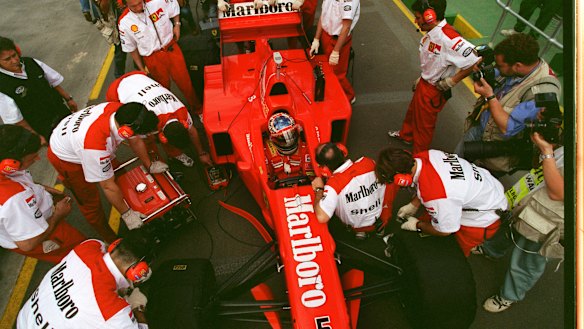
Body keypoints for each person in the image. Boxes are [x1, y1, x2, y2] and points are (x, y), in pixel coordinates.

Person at [476, 132, 564, 312]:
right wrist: (544, 148)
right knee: (509, 227)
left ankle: (509, 295)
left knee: (528, 259)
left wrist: (547, 151)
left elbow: (558, 193)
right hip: (529, 201)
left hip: (550, 220)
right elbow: (541, 167)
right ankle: (491, 250)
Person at [48, 102, 159, 243]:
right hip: (67, 158)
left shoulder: (125, 112)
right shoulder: (96, 147)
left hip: (79, 136)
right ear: (126, 131)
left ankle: (139, 207)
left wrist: (149, 165)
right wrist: (127, 213)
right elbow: (107, 185)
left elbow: (135, 140)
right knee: (90, 200)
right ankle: (110, 238)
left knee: (122, 177)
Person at [455, 33, 561, 174]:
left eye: (499, 65)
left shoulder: (540, 93)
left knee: (474, 187)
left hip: (497, 151)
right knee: (453, 166)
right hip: (480, 129)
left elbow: (508, 127)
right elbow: (500, 76)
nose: (497, 68)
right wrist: (486, 72)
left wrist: (489, 95)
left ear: (517, 66)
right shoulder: (524, 66)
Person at [375, 147, 508, 256]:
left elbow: (445, 230)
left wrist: (418, 225)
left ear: (401, 179)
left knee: (451, 253)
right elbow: (428, 185)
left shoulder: (436, 195)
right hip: (485, 187)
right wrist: (415, 203)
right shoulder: (426, 156)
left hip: (482, 218)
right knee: (433, 216)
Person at [387, 0, 479, 154]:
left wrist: (452, 81)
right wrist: (423, 77)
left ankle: (419, 158)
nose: (416, 21)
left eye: (418, 17)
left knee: (424, 127)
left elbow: (476, 60)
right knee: (413, 112)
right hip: (425, 82)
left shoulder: (448, 37)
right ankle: (406, 135)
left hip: (434, 89)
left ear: (430, 16)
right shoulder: (433, 33)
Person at [16, 229, 152, 328]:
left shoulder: (90, 245)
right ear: (140, 270)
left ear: (115, 243)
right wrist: (136, 306)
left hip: (25, 320)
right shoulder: (114, 312)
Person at [0, 125, 86, 263]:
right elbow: (28, 244)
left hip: (32, 219)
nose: (37, 160)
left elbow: (21, 180)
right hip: (42, 235)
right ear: (11, 164)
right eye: (32, 157)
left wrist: (41, 189)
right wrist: (58, 215)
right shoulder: (14, 200)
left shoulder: (6, 169)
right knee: (81, 253)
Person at [106, 71, 213, 168]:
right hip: (117, 90)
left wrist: (201, 153)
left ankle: (173, 153)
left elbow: (192, 131)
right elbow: (136, 142)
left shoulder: (182, 113)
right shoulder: (142, 120)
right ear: (162, 137)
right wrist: (149, 165)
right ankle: (156, 158)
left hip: (139, 77)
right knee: (145, 140)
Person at [118, 0, 200, 113]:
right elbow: (132, 49)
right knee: (162, 90)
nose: (138, 7)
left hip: (171, 49)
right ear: (125, 5)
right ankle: (172, 115)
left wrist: (177, 25)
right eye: (133, 6)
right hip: (152, 58)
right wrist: (142, 68)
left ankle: (198, 108)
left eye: (139, 3)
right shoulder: (124, 22)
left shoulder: (157, 1)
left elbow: (174, 8)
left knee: (186, 82)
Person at [312, 143, 399, 239]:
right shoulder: (368, 162)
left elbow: (322, 217)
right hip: (380, 214)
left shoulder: (333, 185)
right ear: (343, 151)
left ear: (324, 168)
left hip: (355, 225)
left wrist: (319, 189)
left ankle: (360, 231)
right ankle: (379, 226)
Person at [0, 36, 77, 144]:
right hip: (44, 127)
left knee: (79, 138)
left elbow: (53, 81)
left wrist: (68, 99)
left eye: (14, 55)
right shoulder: (2, 86)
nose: (14, 61)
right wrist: (37, 137)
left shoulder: (32, 62)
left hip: (61, 112)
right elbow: (17, 119)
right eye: (7, 59)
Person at [309, 0, 359, 103]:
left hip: (339, 40)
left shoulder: (349, 2)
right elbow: (323, 16)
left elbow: (346, 27)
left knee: (337, 73)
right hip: (326, 35)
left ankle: (349, 96)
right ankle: (331, 90)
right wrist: (316, 39)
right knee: (326, 68)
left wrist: (336, 51)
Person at [264, 112, 314, 187]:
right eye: (282, 138)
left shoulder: (305, 146)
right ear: (273, 139)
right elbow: (267, 179)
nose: (288, 142)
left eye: (291, 133)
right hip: (278, 190)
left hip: (304, 186)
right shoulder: (267, 150)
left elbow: (311, 176)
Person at [97, 0, 128, 78]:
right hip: (118, 24)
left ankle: (140, 71)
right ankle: (119, 78)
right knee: (120, 51)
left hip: (133, 16)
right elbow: (104, 9)